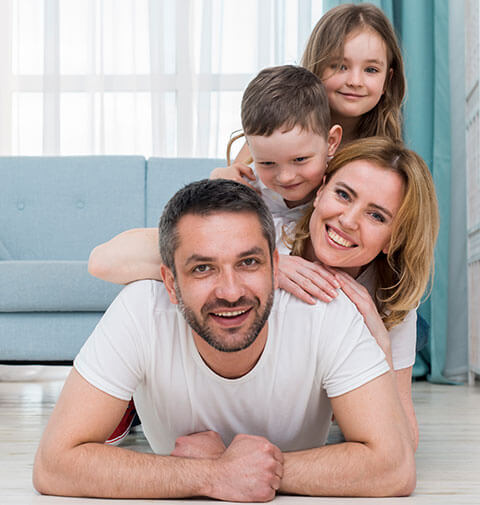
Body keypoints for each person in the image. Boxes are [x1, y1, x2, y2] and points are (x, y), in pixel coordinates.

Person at [33, 179, 415, 500]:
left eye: (248, 263)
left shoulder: (326, 312)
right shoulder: (140, 309)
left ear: (276, 267)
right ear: (170, 283)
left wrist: (247, 469)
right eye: (203, 268)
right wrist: (212, 476)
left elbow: (394, 467)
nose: (231, 292)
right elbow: (54, 464)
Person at [287, 137, 439, 448]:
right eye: (343, 195)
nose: (348, 220)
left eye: (376, 216)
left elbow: (403, 443)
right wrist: (267, 266)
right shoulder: (270, 241)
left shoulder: (389, 298)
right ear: (320, 192)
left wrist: (380, 343)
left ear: (392, 240)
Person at [223, 2, 406, 178]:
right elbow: (232, 184)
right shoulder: (276, 127)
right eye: (340, 66)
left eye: (371, 70)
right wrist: (221, 178)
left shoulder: (385, 158)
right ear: (316, 68)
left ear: (387, 81)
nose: (355, 81)